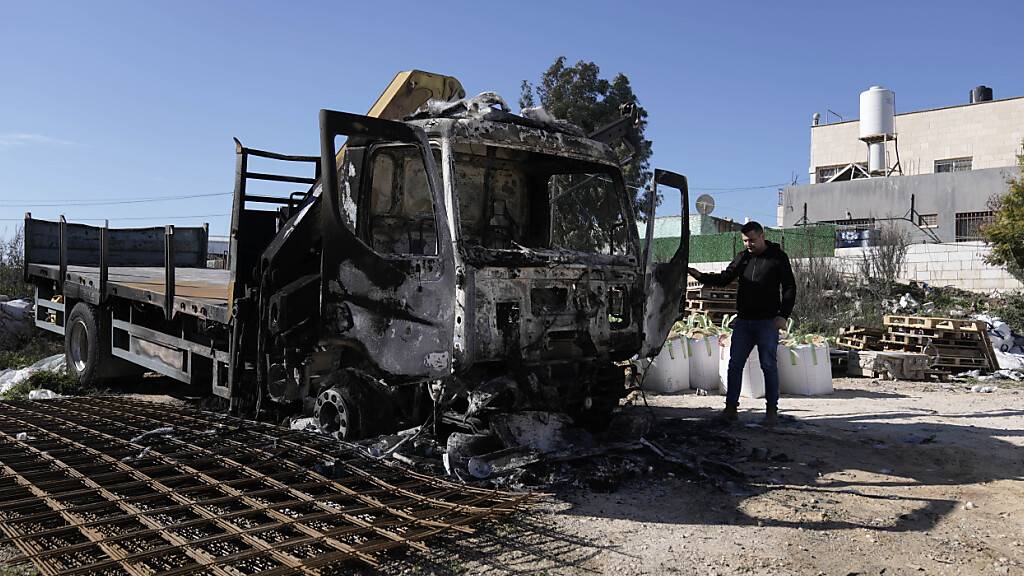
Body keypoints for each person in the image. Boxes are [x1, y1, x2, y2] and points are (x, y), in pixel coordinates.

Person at [688, 221, 796, 425]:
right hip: (744, 322)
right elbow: (725, 278)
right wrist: (700, 276)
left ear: (762, 236)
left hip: (767, 322)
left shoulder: (778, 258)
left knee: (768, 365)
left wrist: (783, 315)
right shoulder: (743, 258)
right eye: (745, 241)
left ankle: (771, 410)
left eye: (752, 240)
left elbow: (789, 287)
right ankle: (731, 409)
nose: (749, 244)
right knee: (735, 364)